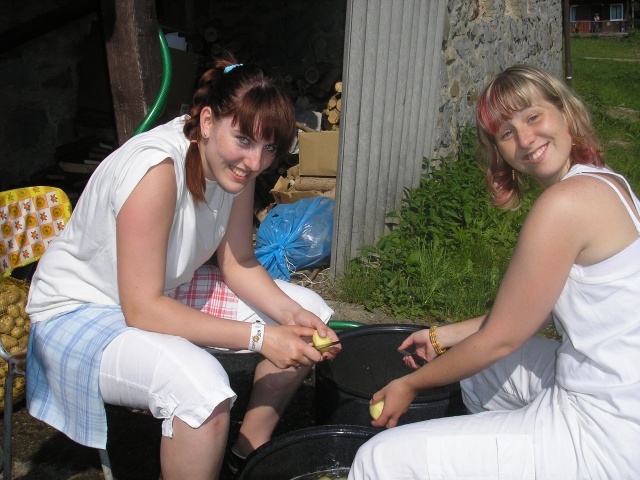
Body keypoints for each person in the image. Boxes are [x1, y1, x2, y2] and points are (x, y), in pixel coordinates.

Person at [26, 57, 339, 480]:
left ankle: (246, 455)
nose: (255, 161)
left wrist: (292, 316)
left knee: (309, 315)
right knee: (202, 389)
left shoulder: (234, 169)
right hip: (82, 310)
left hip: (159, 291)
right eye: (244, 139)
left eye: (269, 148)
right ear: (207, 122)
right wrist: (260, 336)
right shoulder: (157, 170)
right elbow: (142, 309)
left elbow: (239, 263)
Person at [349, 65, 640, 479]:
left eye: (533, 116)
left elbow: (501, 339)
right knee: (482, 373)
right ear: (499, 150)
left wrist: (409, 385)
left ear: (565, 112)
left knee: (376, 459)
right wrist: (443, 336)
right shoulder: (608, 183)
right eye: (506, 132)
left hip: (606, 431)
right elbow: (528, 311)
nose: (525, 139)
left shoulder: (564, 205)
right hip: (621, 391)